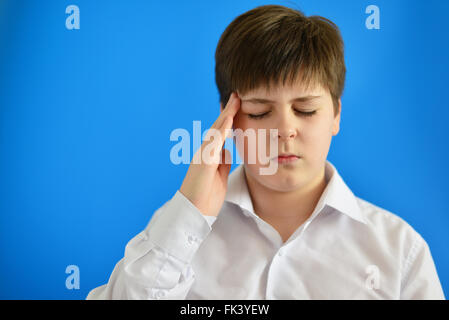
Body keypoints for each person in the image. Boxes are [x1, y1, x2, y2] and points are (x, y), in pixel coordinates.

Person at [86, 4, 445, 299]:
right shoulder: (180, 232)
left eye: (305, 109)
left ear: (336, 113)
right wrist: (188, 212)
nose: (284, 130)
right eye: (259, 112)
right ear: (229, 119)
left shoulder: (400, 251)